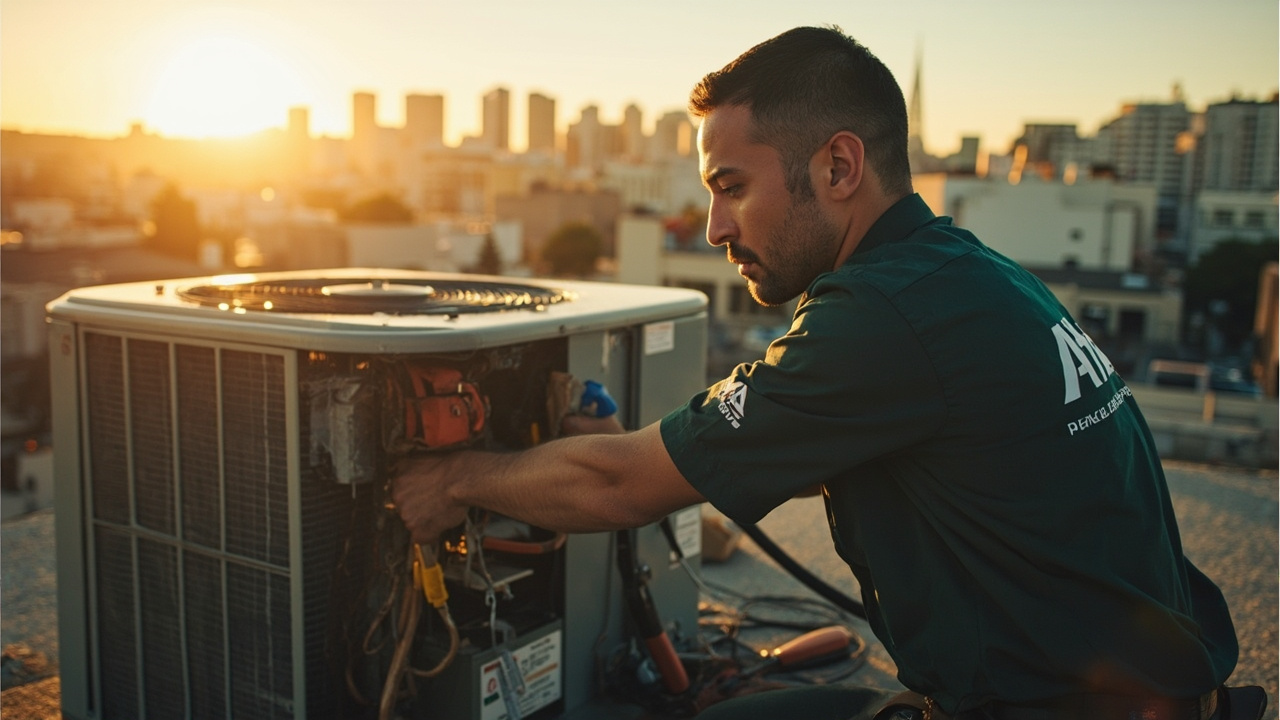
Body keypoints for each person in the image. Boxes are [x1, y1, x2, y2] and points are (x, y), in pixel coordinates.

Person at [393, 26, 1251, 720]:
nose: (715, 227)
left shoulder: (883, 314)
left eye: (732, 186)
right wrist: (665, 451)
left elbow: (620, 488)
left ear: (839, 167)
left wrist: (456, 480)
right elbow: (844, 438)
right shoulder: (964, 272)